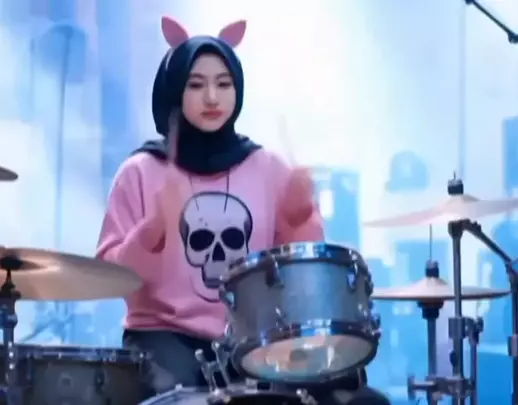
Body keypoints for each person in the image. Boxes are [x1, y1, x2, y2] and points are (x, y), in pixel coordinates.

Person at [96, 16, 390, 405]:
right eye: (196, 85)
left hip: (255, 342)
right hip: (163, 337)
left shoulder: (267, 167)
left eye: (224, 84)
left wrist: (300, 218)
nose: (212, 98)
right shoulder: (140, 171)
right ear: (173, 90)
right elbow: (108, 277)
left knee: (362, 399)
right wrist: (152, 229)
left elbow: (298, 280)